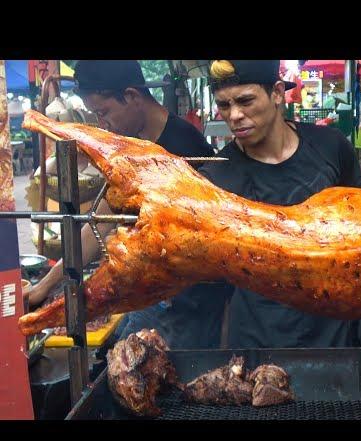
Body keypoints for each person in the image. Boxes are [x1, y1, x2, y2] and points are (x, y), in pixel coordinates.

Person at [199, 60, 361, 348]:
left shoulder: (330, 147)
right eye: (224, 105)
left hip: (334, 333)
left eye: (245, 101)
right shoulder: (215, 178)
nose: (234, 116)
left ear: (277, 93)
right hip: (257, 342)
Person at [28, 60, 232, 349]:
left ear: (132, 96)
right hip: (153, 294)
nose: (103, 124)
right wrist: (44, 287)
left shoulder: (186, 149)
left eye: (104, 112)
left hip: (187, 307)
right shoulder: (133, 146)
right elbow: (101, 219)